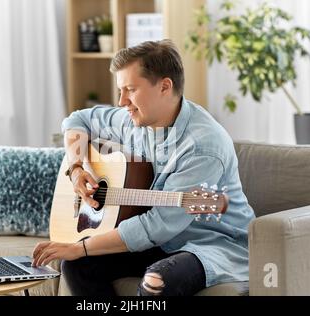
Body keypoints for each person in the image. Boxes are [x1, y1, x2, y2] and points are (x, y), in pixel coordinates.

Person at [31, 39, 255, 296]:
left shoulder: (203, 147)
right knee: (76, 265)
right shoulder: (133, 119)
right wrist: (78, 168)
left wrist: (81, 246)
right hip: (162, 241)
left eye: (130, 89)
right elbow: (77, 120)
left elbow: (158, 224)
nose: (121, 101)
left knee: (156, 281)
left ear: (164, 87)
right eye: (120, 90)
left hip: (213, 245)